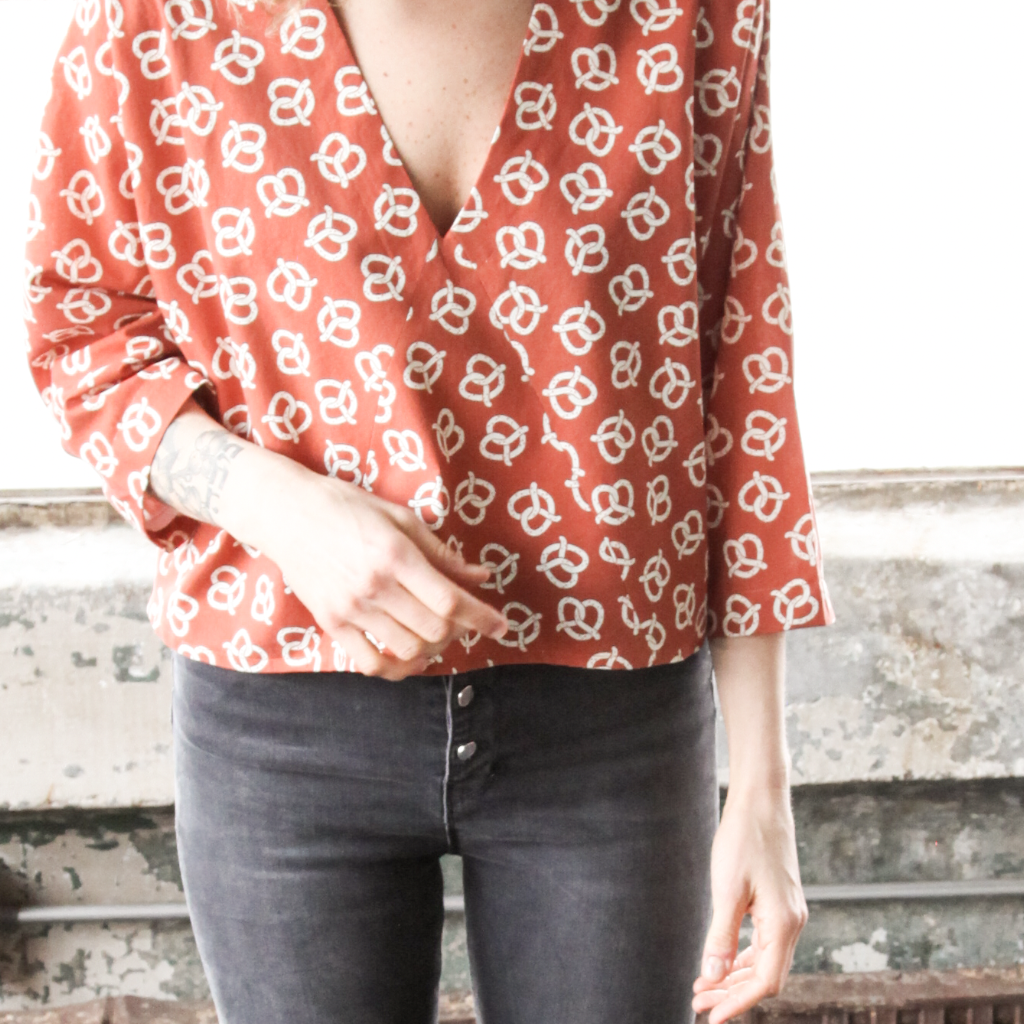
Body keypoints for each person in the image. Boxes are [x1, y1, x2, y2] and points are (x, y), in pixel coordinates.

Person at [25, 0, 834, 1021]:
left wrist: (761, 779)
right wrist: (275, 505)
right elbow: (82, 337)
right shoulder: (157, 18)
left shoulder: (688, 16)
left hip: (611, 723)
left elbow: (738, 361)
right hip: (283, 716)